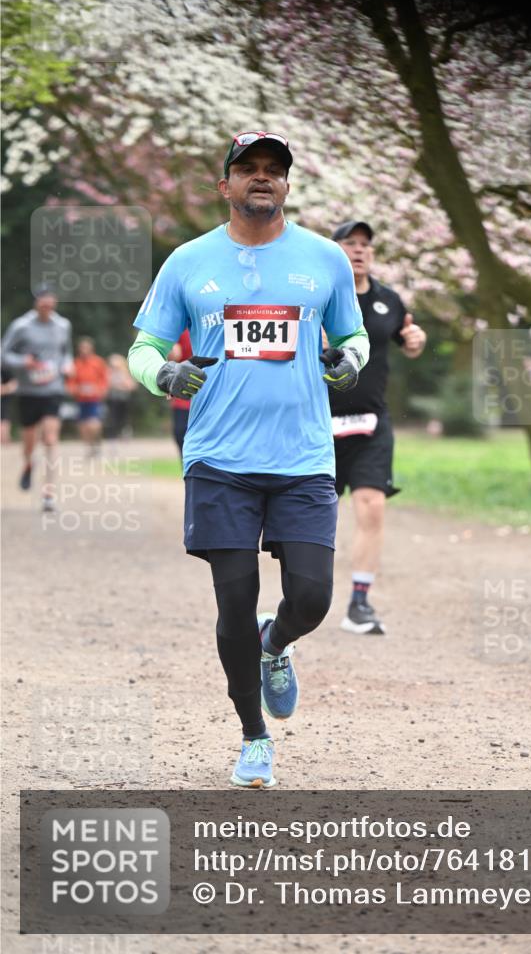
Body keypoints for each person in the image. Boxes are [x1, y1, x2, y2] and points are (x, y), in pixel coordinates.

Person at [128, 130, 368, 788]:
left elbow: (354, 339)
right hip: (219, 459)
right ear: (224, 186)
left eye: (274, 170)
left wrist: (347, 363)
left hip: (302, 458)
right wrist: (164, 375)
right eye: (248, 169)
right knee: (233, 601)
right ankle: (253, 736)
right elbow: (143, 348)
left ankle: (277, 643)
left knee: (314, 598)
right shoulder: (187, 262)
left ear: (287, 185)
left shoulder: (323, 260)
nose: (262, 178)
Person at [330, 220, 427, 635]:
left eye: (366, 244)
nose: (359, 250)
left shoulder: (389, 299)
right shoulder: (321, 297)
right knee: (315, 516)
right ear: (334, 250)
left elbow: (409, 337)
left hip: (372, 422)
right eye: (350, 243)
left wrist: (416, 340)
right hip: (320, 424)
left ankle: (359, 603)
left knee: (372, 506)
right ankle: (303, 596)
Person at [1, 287, 73, 511]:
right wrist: (24, 362)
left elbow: (66, 351)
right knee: (29, 442)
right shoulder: (21, 326)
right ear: (36, 303)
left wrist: (67, 364)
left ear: (55, 303)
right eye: (43, 302)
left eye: (51, 303)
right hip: (28, 391)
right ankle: (28, 463)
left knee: (51, 439)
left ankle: (48, 493)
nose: (47, 306)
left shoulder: (63, 325)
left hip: (53, 389)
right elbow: (3, 354)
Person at [67, 337, 110, 456]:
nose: (84, 350)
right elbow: (71, 381)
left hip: (94, 398)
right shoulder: (75, 363)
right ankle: (90, 447)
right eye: (82, 348)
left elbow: (104, 379)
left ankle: (96, 442)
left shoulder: (98, 362)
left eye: (86, 348)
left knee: (93, 423)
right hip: (80, 398)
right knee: (82, 425)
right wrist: (74, 389)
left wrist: (101, 389)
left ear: (91, 349)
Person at [166, 329, 193, 459]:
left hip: (209, 392)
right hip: (184, 392)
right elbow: (174, 355)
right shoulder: (180, 328)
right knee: (181, 433)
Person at [105, 354, 137, 440]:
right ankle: (113, 435)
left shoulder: (125, 372)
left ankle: (124, 434)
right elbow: (107, 384)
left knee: (124, 418)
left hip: (124, 399)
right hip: (112, 399)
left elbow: (131, 386)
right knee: (113, 417)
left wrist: (120, 385)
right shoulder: (108, 372)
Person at [1, 368, 17, 444]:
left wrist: (4, 389)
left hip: (4, 401)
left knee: (4, 422)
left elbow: (14, 384)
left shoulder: (5, 370)